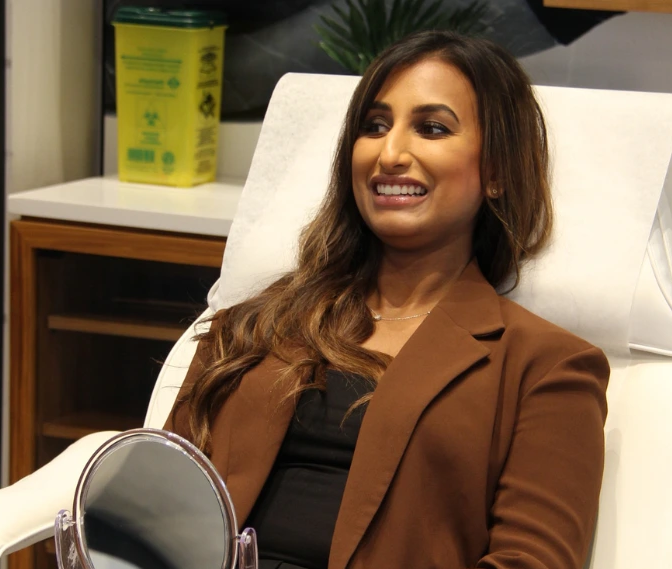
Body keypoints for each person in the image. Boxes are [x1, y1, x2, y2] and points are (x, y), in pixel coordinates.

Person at [165, 30, 609, 569]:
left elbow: (531, 561)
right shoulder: (252, 325)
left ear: (495, 172)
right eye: (374, 126)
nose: (390, 153)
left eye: (432, 128)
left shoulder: (547, 368)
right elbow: (160, 500)